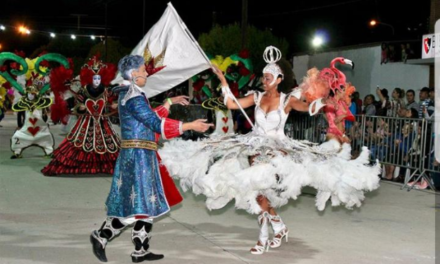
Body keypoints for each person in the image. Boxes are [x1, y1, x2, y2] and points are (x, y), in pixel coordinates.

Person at [158, 47, 380, 255]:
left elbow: (307, 108)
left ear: (279, 79)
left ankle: (266, 235)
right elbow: (231, 103)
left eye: (268, 77)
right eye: (263, 76)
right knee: (258, 192)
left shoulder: (287, 100)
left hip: (276, 149)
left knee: (258, 191)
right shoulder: (256, 96)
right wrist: (223, 80)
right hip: (254, 145)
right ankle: (274, 230)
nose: (264, 80)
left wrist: (325, 102)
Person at [90, 55, 212, 263]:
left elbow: (147, 117)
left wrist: (169, 102)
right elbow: (154, 122)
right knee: (135, 206)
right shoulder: (134, 96)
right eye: (143, 70)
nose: (146, 73)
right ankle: (101, 236)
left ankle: (140, 250)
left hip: (142, 155)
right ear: (133, 74)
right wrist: (190, 126)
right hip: (137, 157)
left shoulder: (132, 94)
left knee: (146, 205)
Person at [42, 56, 120, 176]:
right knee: (79, 143)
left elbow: (110, 101)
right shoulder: (84, 90)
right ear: (90, 78)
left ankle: (102, 166)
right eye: (94, 78)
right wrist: (81, 107)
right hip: (86, 122)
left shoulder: (106, 91)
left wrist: (113, 105)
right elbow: (77, 104)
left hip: (102, 122)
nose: (97, 80)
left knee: (107, 143)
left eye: (99, 78)